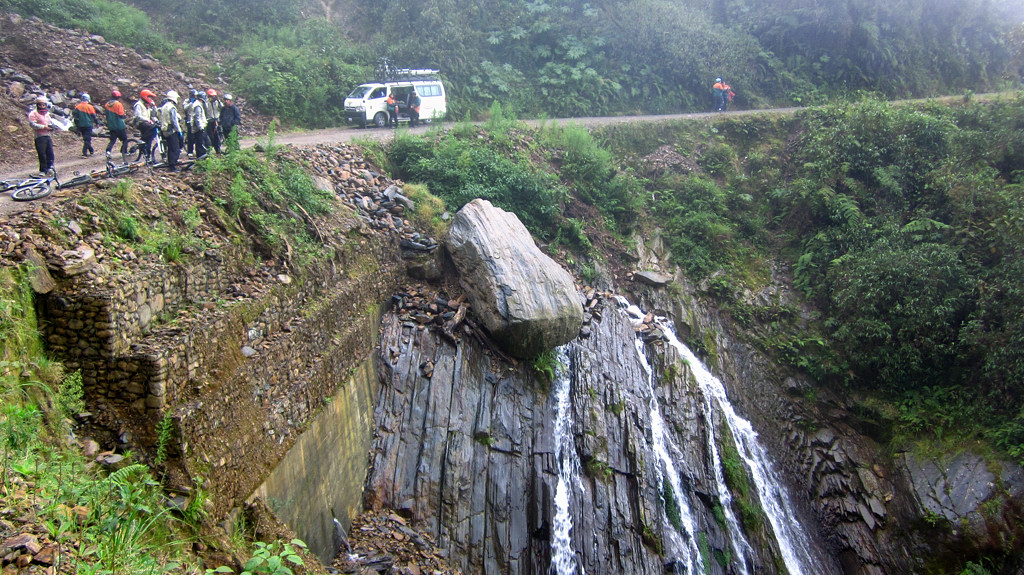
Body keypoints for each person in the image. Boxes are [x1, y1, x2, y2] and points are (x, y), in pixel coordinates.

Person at [156, 90, 183, 171]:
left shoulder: (163, 107)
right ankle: (172, 166)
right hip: (171, 130)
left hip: (164, 129)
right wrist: (179, 131)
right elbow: (174, 121)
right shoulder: (172, 108)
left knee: (170, 148)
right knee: (175, 148)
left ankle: (171, 163)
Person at [27, 96, 55, 175]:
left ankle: (50, 167)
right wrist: (43, 127)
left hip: (47, 135)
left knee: (50, 152)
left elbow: (50, 122)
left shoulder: (46, 114)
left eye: (43, 105)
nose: (42, 106)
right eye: (40, 105)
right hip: (39, 136)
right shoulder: (33, 114)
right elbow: (32, 124)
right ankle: (43, 170)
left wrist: (50, 127)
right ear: (37, 105)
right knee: (42, 153)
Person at [133, 89, 159, 163]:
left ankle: (147, 155)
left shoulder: (147, 105)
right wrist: (147, 120)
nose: (151, 99)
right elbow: (138, 116)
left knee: (149, 140)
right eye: (149, 97)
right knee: (151, 129)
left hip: (147, 124)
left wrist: (154, 107)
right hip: (140, 123)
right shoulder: (138, 104)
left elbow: (153, 116)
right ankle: (142, 141)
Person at [104, 89, 129, 161]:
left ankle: (108, 151)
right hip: (119, 125)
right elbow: (121, 115)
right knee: (124, 139)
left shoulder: (106, 104)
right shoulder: (118, 104)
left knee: (112, 140)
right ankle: (124, 151)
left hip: (111, 126)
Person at [72, 93, 99, 157]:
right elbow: (94, 116)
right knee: (87, 139)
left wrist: (77, 126)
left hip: (81, 125)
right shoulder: (90, 107)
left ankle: (91, 150)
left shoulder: (77, 107)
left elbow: (75, 117)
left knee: (86, 138)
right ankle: (84, 152)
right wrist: (97, 123)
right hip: (88, 125)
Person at [189, 91, 211, 159]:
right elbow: (197, 118)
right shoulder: (197, 105)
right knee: (200, 144)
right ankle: (201, 158)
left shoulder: (198, 104)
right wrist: (200, 127)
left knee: (202, 143)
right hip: (199, 129)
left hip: (199, 128)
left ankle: (202, 157)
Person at [204, 89, 223, 154]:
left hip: (216, 120)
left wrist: (218, 101)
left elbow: (221, 108)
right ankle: (209, 149)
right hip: (209, 121)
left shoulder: (217, 102)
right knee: (210, 136)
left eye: (214, 96)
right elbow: (205, 109)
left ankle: (218, 149)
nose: (213, 98)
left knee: (217, 135)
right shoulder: (206, 103)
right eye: (211, 96)